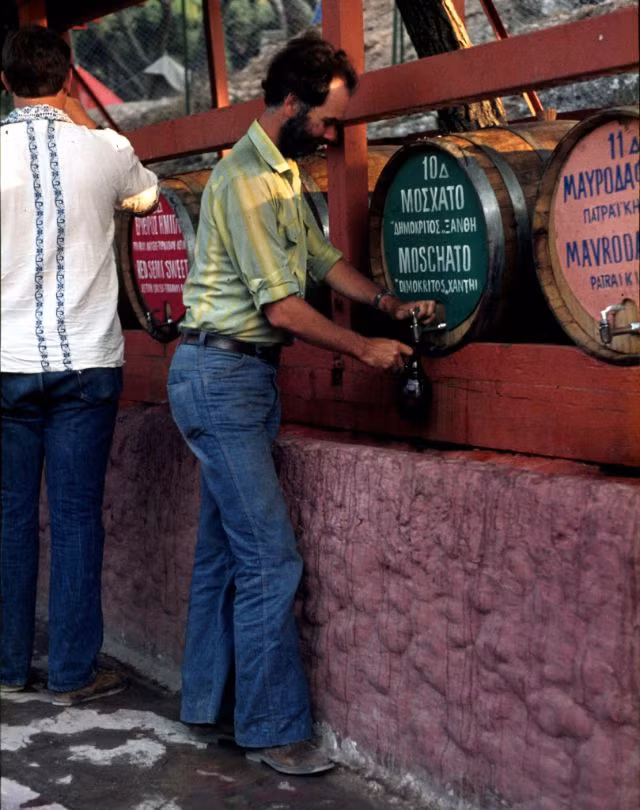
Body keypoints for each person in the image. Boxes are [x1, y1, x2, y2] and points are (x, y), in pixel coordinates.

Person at [167, 32, 435, 775]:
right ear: (290, 104)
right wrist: (363, 349)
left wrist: (384, 303)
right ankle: (271, 730)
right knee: (270, 559)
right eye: (325, 120)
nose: (329, 134)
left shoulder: (281, 173)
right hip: (220, 377)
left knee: (225, 553)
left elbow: (319, 262)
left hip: (239, 379)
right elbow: (283, 309)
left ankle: (207, 707)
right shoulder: (246, 182)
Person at [0, 26, 159, 706]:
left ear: (4, 82)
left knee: (9, 519)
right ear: (68, 78)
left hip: (5, 363)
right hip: (87, 363)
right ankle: (71, 671)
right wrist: (80, 119)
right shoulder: (108, 150)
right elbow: (148, 198)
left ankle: (8, 667)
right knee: (75, 519)